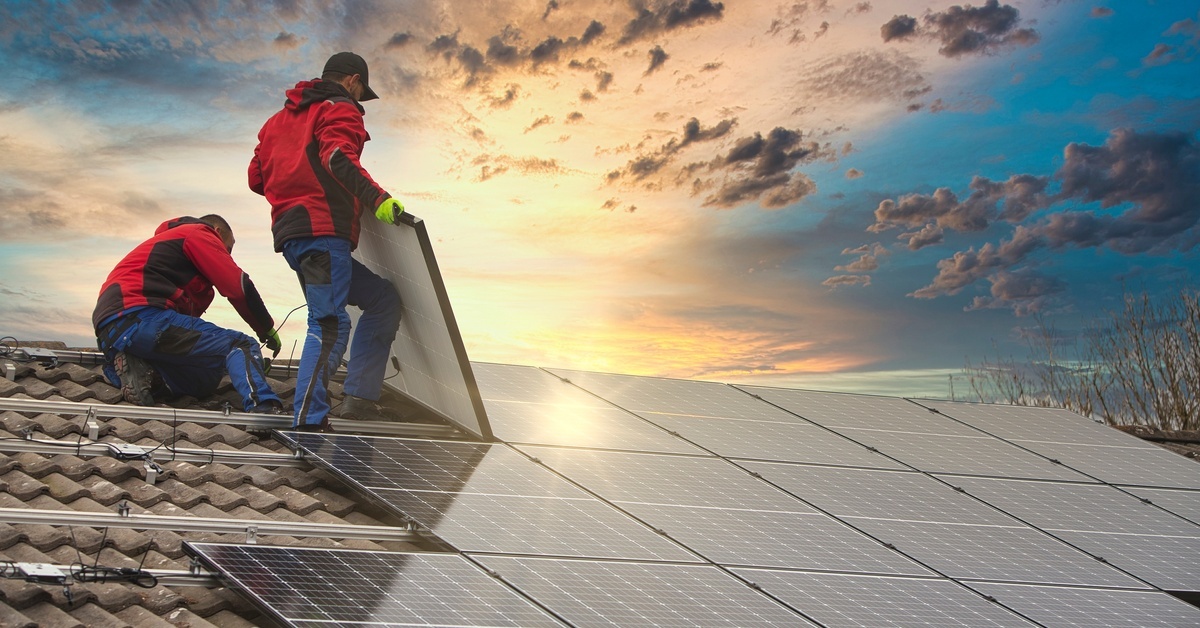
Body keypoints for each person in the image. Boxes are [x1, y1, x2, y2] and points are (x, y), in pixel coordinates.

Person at [249, 51, 406, 433]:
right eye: (360, 92)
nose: (359, 100)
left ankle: (360, 398)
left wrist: (294, 175)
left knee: (382, 299)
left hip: (292, 237)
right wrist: (378, 200)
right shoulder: (340, 107)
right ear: (353, 81)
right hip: (323, 233)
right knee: (330, 324)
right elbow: (337, 157)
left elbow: (257, 178)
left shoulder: (276, 121)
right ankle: (309, 419)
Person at [93, 215, 284, 413]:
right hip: (141, 316)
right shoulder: (198, 233)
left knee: (205, 379)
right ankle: (263, 406)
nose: (228, 254)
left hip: (113, 332)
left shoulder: (169, 250)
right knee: (241, 345)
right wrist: (265, 329)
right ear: (217, 232)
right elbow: (238, 288)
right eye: (229, 247)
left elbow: (187, 337)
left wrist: (248, 366)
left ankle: (148, 376)